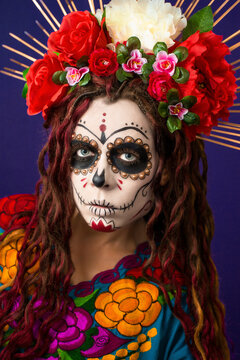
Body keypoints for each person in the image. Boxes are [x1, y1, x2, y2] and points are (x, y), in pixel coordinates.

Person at [0, 0, 238, 359]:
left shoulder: (173, 316)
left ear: (167, 166)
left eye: (128, 156)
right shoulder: (7, 234)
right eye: (83, 152)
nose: (99, 179)